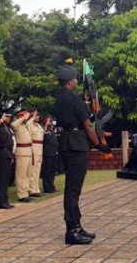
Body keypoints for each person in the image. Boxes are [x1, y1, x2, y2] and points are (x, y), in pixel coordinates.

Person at [54, 61, 111, 245]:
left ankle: (77, 225)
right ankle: (72, 230)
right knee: (73, 189)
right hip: (76, 144)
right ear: (70, 81)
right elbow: (87, 124)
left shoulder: (59, 99)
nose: (77, 81)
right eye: (75, 78)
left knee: (72, 188)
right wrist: (99, 144)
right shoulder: (74, 99)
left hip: (65, 143)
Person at [0, 109, 15, 209]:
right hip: (1, 154)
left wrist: (12, 155)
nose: (8, 118)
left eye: (9, 117)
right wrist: (0, 120)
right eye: (7, 116)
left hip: (8, 153)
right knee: (1, 179)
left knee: (6, 179)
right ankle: (1, 202)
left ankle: (5, 200)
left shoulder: (8, 127)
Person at [11, 109, 34, 203]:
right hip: (22, 151)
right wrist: (23, 118)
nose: (26, 119)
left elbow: (29, 122)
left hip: (28, 151)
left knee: (27, 174)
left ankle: (26, 192)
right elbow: (13, 124)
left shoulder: (25, 126)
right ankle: (21, 194)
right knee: (21, 174)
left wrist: (31, 116)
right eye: (24, 117)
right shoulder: (17, 126)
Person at [28, 110, 45, 198]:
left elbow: (43, 133)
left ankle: (36, 188)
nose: (37, 117)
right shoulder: (29, 125)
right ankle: (32, 189)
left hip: (40, 147)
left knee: (37, 170)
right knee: (33, 170)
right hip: (33, 147)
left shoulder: (38, 126)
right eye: (36, 115)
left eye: (38, 115)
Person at [41, 115, 59, 194]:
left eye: (51, 121)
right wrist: (46, 125)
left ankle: (51, 186)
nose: (51, 122)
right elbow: (41, 135)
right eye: (49, 121)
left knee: (53, 171)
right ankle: (47, 187)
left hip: (54, 152)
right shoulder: (43, 129)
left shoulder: (51, 130)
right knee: (47, 171)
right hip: (47, 153)